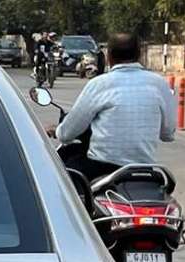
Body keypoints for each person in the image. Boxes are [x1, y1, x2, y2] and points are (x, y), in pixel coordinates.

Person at [54, 33, 177, 181]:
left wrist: (58, 130)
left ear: (109, 56)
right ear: (139, 54)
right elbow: (168, 133)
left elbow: (66, 134)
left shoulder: (99, 84)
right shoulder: (159, 83)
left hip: (101, 168)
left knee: (61, 177)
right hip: (145, 169)